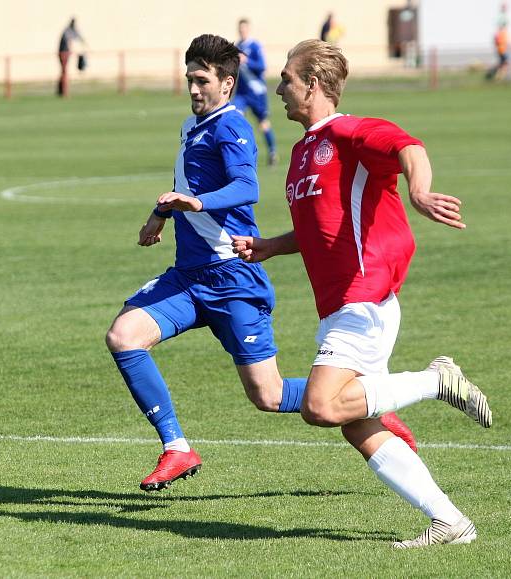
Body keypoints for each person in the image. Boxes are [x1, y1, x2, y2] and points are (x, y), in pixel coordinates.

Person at [105, 34, 416, 494]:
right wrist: (161, 213)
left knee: (267, 396)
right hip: (189, 278)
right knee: (123, 336)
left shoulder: (232, 126)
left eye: (201, 80)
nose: (193, 89)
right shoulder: (193, 127)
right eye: (188, 79)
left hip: (232, 279)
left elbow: (245, 187)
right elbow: (184, 183)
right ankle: (176, 447)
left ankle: (365, 404)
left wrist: (195, 203)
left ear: (227, 84)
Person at [231, 39, 493, 548]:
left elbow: (407, 146)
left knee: (321, 406)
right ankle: (451, 522)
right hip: (338, 304)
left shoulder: (349, 131)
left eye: (286, 77)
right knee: (357, 425)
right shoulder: (303, 151)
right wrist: (269, 246)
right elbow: (320, 230)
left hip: (365, 293)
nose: (278, 87)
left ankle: (436, 381)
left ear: (312, 85)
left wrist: (418, 191)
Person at [234, 18, 278, 166]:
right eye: (240, 29)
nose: (242, 31)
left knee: (263, 123)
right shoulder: (237, 46)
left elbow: (262, 66)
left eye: (244, 29)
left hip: (256, 92)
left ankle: (272, 152)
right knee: (235, 118)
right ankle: (240, 155)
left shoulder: (254, 46)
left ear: (248, 29)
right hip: (241, 93)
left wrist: (247, 61)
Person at [57, 18, 84, 97]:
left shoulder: (72, 29)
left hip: (66, 54)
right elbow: (69, 40)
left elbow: (79, 37)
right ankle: (64, 91)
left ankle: (62, 91)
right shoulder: (67, 30)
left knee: (64, 72)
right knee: (64, 72)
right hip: (63, 54)